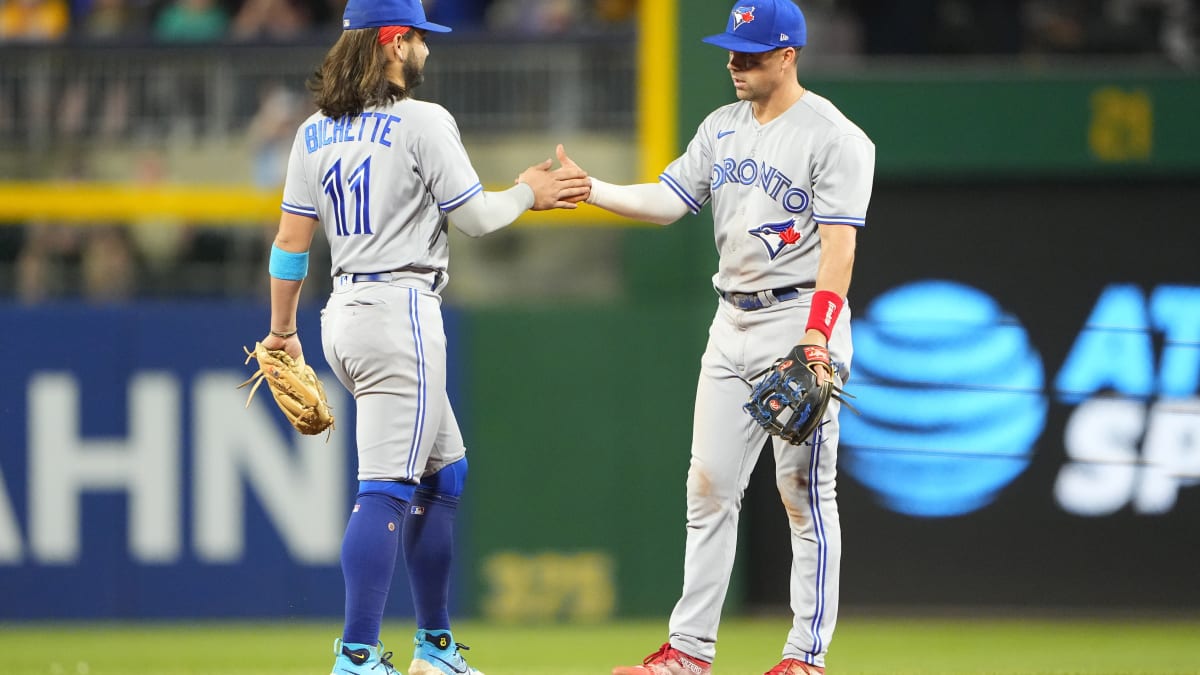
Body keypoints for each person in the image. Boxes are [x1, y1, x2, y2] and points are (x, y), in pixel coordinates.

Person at [254, 0, 589, 673]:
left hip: (342, 316)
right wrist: (528, 189)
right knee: (385, 488)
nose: (427, 51)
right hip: (399, 311)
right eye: (418, 39)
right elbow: (479, 220)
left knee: (446, 472)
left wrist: (282, 329)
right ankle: (356, 655)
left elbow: (291, 245)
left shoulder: (314, 131)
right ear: (392, 41)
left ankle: (435, 648)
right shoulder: (423, 121)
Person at [558, 1, 874, 673]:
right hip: (731, 319)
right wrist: (593, 189)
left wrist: (817, 339)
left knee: (804, 495)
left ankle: (804, 657)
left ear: (788, 56)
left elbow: (839, 252)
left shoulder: (834, 136)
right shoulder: (720, 127)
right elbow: (671, 201)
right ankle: (688, 653)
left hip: (799, 321)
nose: (734, 62)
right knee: (707, 489)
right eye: (731, 49)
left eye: (750, 53)